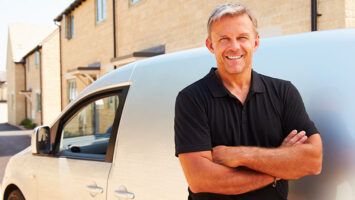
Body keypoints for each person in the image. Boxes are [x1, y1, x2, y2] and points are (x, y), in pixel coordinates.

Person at [174, 3, 322, 200]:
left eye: (242, 37)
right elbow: (201, 180)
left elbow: (312, 161)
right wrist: (280, 168)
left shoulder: (283, 92)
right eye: (224, 39)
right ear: (211, 45)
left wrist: (240, 155)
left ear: (256, 42)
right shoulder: (192, 99)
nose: (234, 46)